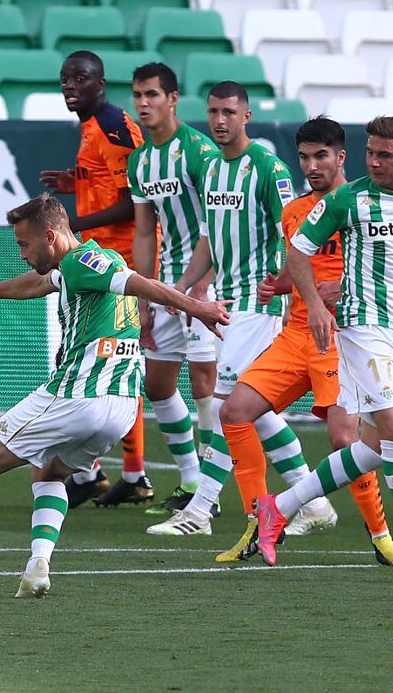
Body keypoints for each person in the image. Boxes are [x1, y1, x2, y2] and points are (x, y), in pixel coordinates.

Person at [0, 194, 230, 596]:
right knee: (50, 471)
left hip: (79, 395)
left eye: (25, 244)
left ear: (51, 235)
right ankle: (38, 565)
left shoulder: (82, 263)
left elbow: (138, 284)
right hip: (122, 409)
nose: (21, 254)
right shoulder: (85, 263)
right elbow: (42, 283)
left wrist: (197, 308)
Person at [254, 116, 393, 582]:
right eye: (370, 152)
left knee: (372, 448)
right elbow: (298, 251)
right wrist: (314, 305)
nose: (374, 161)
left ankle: (279, 506)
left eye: (385, 155)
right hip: (359, 328)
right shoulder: (347, 199)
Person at [214, 116, 393, 567]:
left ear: (341, 157)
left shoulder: (363, 205)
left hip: (344, 338)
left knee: (346, 440)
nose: (311, 166)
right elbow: (306, 265)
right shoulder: (295, 212)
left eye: (321, 156)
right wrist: (283, 285)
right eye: (304, 157)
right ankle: (258, 522)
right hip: (297, 334)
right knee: (234, 412)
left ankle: (381, 538)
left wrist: (339, 290)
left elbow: (381, 271)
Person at [148, 81, 332, 536]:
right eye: (213, 111)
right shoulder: (211, 170)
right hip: (226, 304)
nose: (219, 120)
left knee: (228, 406)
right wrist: (183, 290)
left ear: (246, 116)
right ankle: (315, 502)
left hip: (259, 304)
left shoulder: (268, 169)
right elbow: (208, 239)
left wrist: (289, 288)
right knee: (255, 411)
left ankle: (200, 510)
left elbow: (296, 232)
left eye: (229, 112)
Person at [39, 50, 152, 508]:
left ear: (100, 84)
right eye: (66, 78)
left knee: (115, 366)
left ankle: (135, 474)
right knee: (90, 358)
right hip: (96, 259)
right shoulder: (91, 127)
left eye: (81, 79)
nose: (71, 86)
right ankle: (92, 472)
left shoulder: (114, 126)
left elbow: (133, 204)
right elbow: (109, 185)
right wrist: (77, 184)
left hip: (118, 263)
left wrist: (72, 228)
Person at [125, 63, 220, 517]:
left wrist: (199, 282)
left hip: (208, 281)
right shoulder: (140, 161)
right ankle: (190, 479)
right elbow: (145, 234)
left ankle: (210, 494)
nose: (143, 104)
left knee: (206, 382)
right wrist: (145, 296)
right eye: (138, 95)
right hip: (168, 284)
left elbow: (216, 221)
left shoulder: (199, 151)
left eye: (152, 95)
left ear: (173, 98)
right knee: (157, 382)